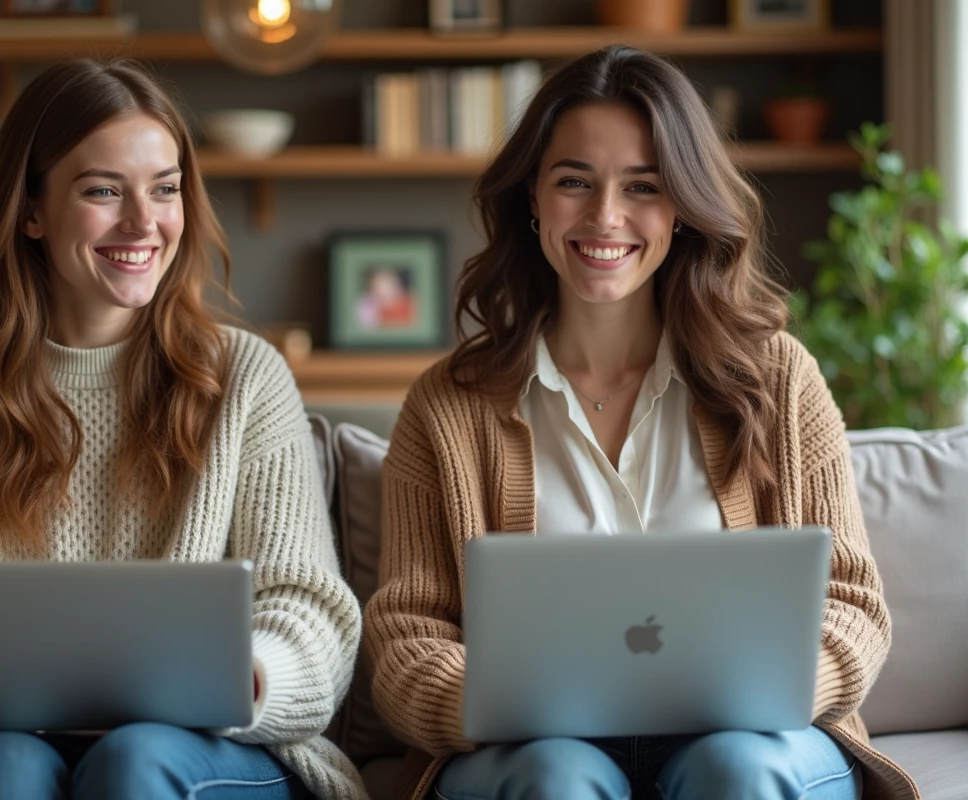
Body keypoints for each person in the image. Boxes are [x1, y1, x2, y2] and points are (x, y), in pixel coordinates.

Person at [362, 45, 918, 800]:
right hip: (532, 748)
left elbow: (851, 602)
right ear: (532, 197)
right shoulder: (446, 406)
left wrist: (783, 685)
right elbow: (407, 636)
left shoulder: (778, 379)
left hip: (746, 740)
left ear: (683, 205)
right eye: (574, 181)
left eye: (643, 186)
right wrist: (495, 703)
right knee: (555, 778)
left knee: (739, 771)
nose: (605, 216)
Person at [0, 58, 367, 800]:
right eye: (103, 190)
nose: (144, 223)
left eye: (165, 189)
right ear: (31, 211)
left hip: (203, 752)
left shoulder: (247, 377)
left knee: (135, 760)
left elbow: (309, 611)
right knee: (8, 767)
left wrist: (245, 677)